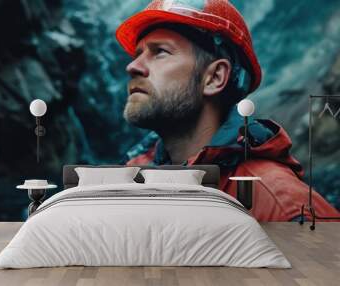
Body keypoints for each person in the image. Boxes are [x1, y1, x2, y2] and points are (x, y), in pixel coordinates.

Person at [115, 0, 340, 221]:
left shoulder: (283, 207)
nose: (132, 66)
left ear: (214, 78)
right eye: (138, 54)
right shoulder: (133, 181)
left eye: (160, 52)